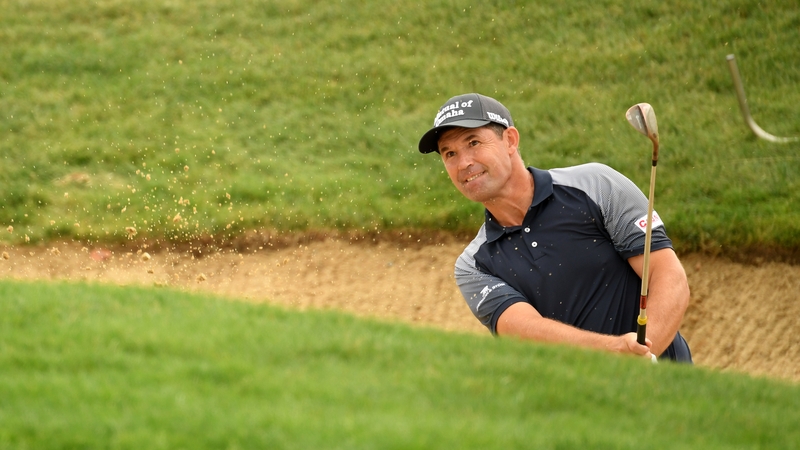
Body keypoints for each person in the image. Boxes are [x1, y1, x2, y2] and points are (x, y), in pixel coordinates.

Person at [418, 93, 692, 362]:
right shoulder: (473, 265)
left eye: (474, 142)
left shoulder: (596, 185)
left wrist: (645, 352)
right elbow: (525, 330)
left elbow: (667, 274)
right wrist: (615, 353)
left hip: (665, 379)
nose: (463, 163)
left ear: (510, 140)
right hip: (583, 391)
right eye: (449, 153)